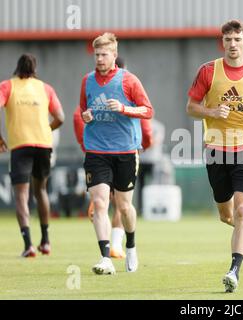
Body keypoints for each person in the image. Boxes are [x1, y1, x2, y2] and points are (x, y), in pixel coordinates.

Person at [186, 20, 243, 292]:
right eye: (228, 40)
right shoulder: (207, 71)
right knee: (227, 214)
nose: (233, 44)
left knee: (242, 209)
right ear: (222, 42)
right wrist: (212, 113)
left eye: (237, 39)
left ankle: (234, 270)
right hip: (217, 150)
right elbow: (191, 107)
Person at [79, 33, 153, 274]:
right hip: (96, 150)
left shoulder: (129, 80)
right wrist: (86, 116)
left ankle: (131, 246)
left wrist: (124, 108)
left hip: (125, 151)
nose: (99, 59)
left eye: (104, 55)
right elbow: (83, 110)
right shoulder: (87, 80)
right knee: (99, 202)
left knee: (123, 207)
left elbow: (148, 111)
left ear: (114, 55)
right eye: (96, 55)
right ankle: (105, 257)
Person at [0, 53, 65, 257]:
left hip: (21, 145)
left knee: (21, 194)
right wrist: (46, 129)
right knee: (41, 191)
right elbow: (60, 117)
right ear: (34, 68)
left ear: (17, 68)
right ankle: (45, 241)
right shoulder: (45, 88)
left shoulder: (7, 86)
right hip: (43, 144)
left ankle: (28, 245)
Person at [137, 118, 164, 213]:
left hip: (153, 160)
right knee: (141, 186)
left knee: (155, 185)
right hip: (141, 160)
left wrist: (142, 145)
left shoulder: (157, 126)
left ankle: (155, 208)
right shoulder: (138, 124)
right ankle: (141, 209)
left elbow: (155, 142)